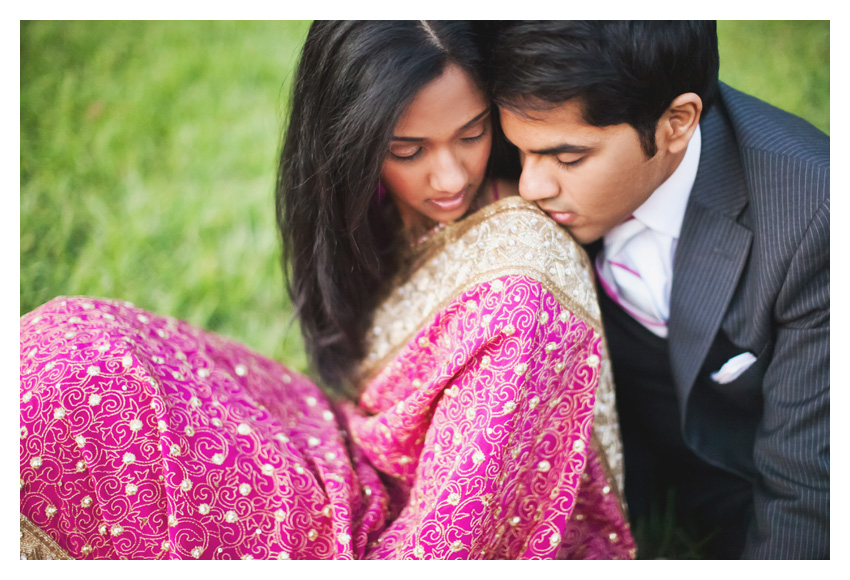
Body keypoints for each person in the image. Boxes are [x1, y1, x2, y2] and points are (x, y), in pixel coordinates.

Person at [20, 21, 634, 560]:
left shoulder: (525, 297)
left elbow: (454, 539)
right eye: (407, 150)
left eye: (472, 135)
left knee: (64, 419)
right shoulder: (372, 203)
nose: (449, 177)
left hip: (384, 530)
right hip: (332, 444)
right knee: (72, 357)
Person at [488, 20, 829, 559]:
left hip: (737, 491)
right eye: (521, 153)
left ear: (676, 123)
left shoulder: (812, 221)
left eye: (569, 158)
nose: (531, 187)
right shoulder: (531, 130)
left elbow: (809, 484)